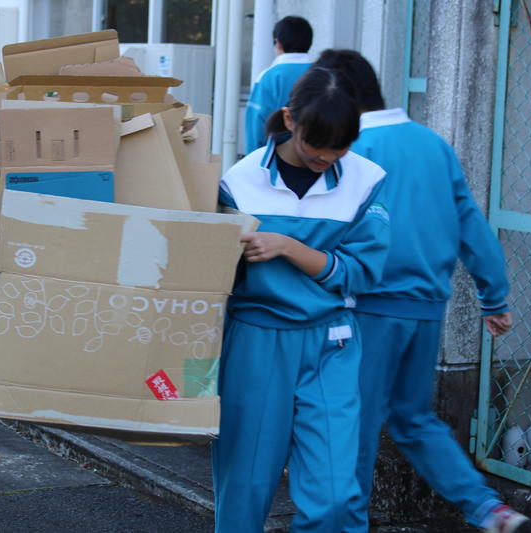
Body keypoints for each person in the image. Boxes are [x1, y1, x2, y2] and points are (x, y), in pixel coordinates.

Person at [313, 49, 531, 533]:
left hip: (368, 306)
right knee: (413, 419)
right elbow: (469, 220)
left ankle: (348, 526)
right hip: (428, 307)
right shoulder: (433, 144)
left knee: (353, 425)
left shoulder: (350, 149)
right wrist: (493, 297)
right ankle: (489, 508)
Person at [213, 66, 391, 533]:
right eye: (317, 145)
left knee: (334, 496)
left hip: (331, 342)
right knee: (244, 487)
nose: (327, 158)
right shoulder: (239, 181)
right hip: (255, 340)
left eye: (341, 148)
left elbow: (363, 272)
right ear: (290, 120)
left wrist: (289, 247)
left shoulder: (366, 180)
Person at [244, 16, 313, 154]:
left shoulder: (269, 77)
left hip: (280, 156)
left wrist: (254, 158)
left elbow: (257, 123)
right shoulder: (323, 74)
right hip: (321, 154)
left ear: (277, 43)